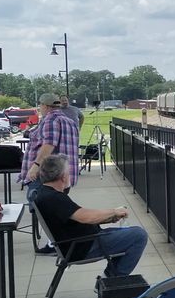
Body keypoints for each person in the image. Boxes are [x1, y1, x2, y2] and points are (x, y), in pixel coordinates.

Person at [34, 154, 147, 278]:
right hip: (82, 246)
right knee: (139, 235)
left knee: (130, 235)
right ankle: (112, 280)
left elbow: (77, 218)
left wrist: (108, 218)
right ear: (63, 176)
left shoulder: (46, 193)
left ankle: (110, 279)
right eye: (68, 172)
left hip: (83, 241)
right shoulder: (53, 198)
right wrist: (114, 211)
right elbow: (85, 217)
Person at [20, 92, 79, 254]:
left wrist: (35, 166)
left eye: (40, 105)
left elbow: (48, 145)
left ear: (45, 106)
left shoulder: (51, 120)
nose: (40, 108)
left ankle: (58, 243)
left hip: (47, 176)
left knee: (42, 208)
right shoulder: (70, 121)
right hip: (64, 175)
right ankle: (59, 242)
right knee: (57, 209)